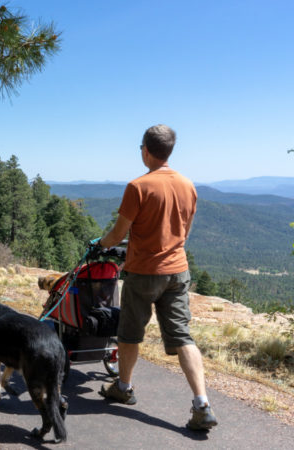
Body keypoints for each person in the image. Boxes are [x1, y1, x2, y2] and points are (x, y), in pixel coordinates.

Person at [93, 124, 217, 431]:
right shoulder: (189, 185)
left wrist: (99, 245)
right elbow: (184, 231)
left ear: (146, 150)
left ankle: (123, 388)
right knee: (182, 336)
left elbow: (118, 233)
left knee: (130, 332)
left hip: (144, 271)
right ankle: (202, 404)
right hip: (178, 271)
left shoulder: (138, 186)